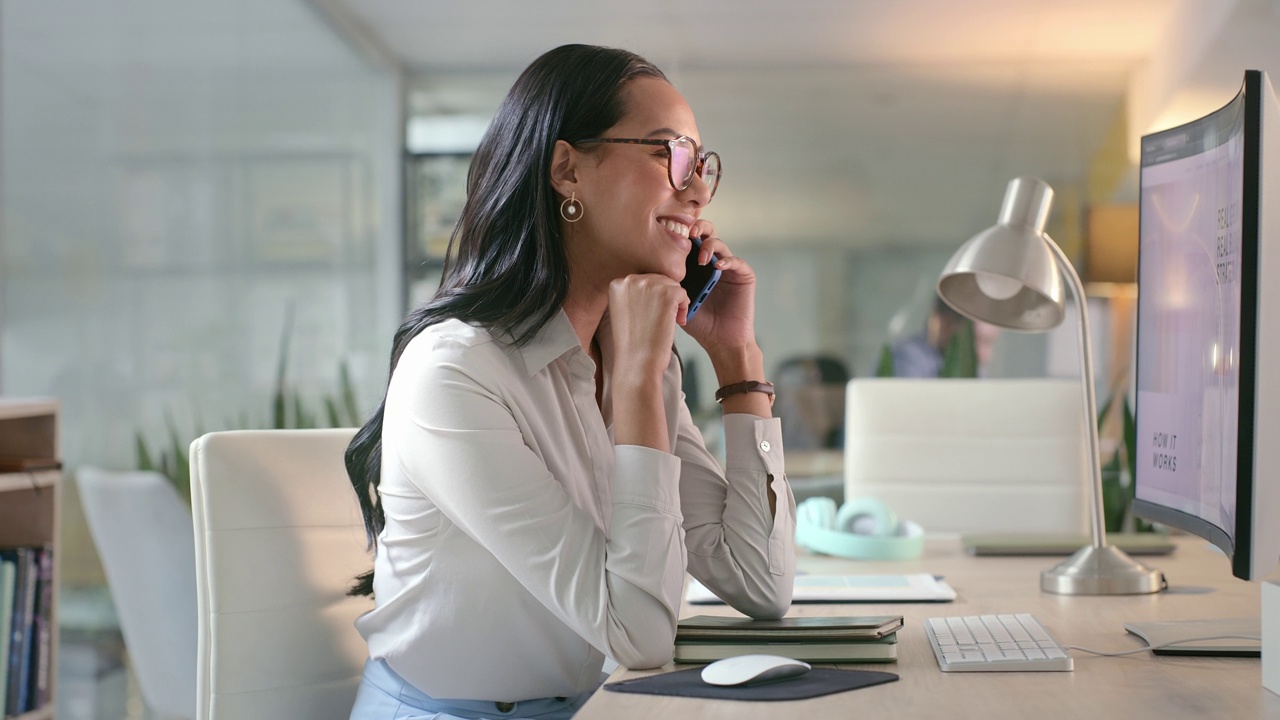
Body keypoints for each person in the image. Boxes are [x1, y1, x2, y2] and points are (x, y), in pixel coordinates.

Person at [345, 44, 796, 720]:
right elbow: (638, 636)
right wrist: (640, 385)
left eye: (703, 165)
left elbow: (761, 584)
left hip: (593, 707)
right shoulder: (457, 371)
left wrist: (738, 363)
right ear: (567, 170)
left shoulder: (632, 357)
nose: (697, 187)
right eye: (669, 153)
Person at [888, 297, 999, 378]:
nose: (986, 356)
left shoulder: (977, 372)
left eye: (990, 343)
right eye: (976, 342)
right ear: (944, 323)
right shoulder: (906, 359)